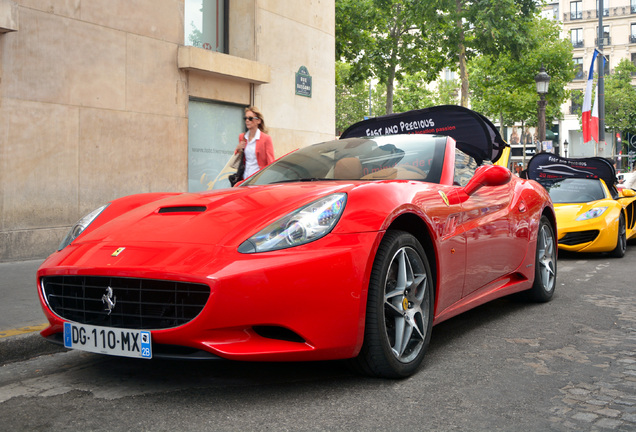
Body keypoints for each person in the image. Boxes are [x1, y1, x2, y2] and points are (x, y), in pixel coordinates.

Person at [231, 106, 275, 186]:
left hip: (259, 180)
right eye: (245, 118)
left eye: (250, 118)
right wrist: (238, 148)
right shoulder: (242, 137)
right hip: (244, 179)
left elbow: (271, 162)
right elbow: (238, 158)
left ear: (258, 121)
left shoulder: (266, 139)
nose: (247, 120)